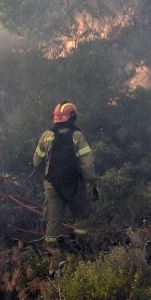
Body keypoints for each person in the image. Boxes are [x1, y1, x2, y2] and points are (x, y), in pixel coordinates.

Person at [32, 102, 99, 245]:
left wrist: (49, 175)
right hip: (75, 186)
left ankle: (50, 252)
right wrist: (93, 183)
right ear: (72, 117)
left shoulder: (46, 136)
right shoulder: (78, 136)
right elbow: (87, 165)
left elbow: (36, 162)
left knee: (53, 222)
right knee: (81, 217)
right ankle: (80, 247)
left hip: (52, 186)